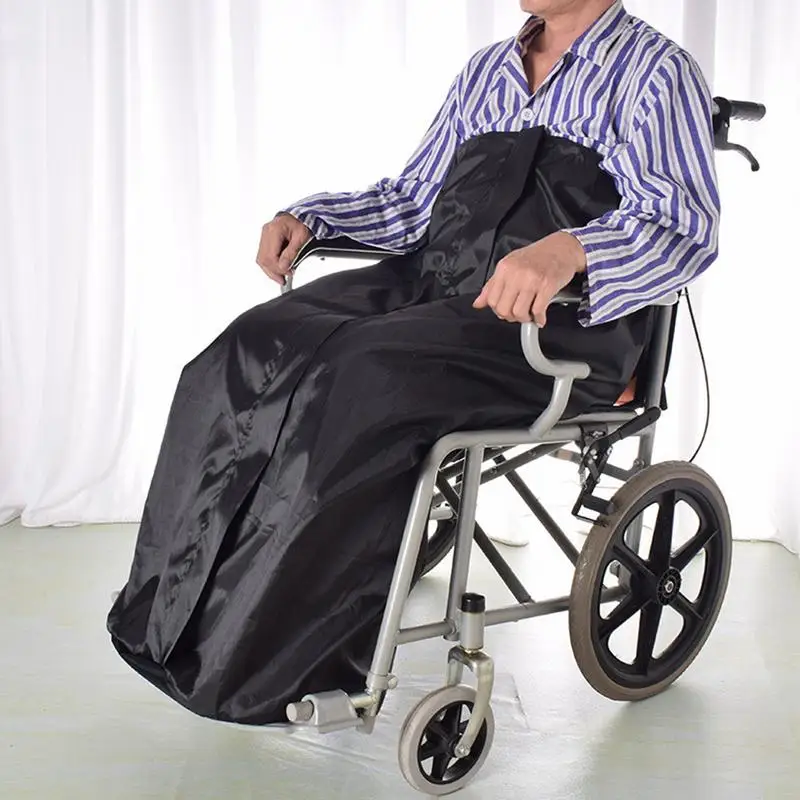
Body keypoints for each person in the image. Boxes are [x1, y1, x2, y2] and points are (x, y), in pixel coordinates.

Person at [108, 0, 720, 725]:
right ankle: (167, 617)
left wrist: (571, 249)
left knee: (355, 380)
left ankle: (264, 663)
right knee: (246, 349)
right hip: (437, 286)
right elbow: (413, 202)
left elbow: (683, 226)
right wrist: (314, 219)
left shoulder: (656, 73)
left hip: (552, 327)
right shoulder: (489, 72)